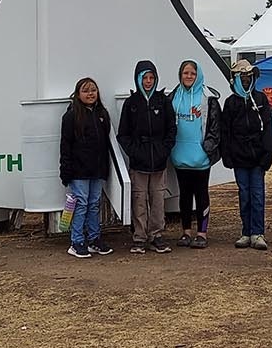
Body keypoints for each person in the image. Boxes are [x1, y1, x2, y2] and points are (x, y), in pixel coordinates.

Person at [117, 60, 175, 254]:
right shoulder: (131, 103)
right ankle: (139, 236)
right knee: (139, 199)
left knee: (158, 199)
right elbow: (123, 134)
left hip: (159, 161)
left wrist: (164, 150)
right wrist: (134, 151)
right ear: (138, 79)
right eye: (145, 78)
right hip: (139, 161)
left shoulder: (163, 101)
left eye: (151, 78)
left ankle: (156, 235)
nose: (148, 81)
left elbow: (171, 130)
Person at [222, 59, 272, 250]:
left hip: (258, 156)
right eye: (242, 77)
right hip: (239, 156)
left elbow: (268, 128)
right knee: (244, 194)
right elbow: (225, 131)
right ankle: (245, 232)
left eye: (248, 76)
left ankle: (257, 233)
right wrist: (227, 154)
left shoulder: (261, 99)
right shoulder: (230, 103)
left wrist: (268, 153)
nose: (245, 80)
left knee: (258, 194)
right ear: (235, 79)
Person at [58, 77, 114, 259]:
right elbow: (65, 145)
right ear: (77, 94)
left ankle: (94, 239)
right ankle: (77, 241)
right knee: (80, 205)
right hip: (78, 171)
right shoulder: (71, 116)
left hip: (97, 169)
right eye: (86, 90)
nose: (90, 94)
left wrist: (105, 168)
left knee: (94, 204)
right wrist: (65, 171)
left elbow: (105, 144)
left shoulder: (102, 114)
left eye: (93, 90)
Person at [169, 59, 221, 248]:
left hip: (200, 158)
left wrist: (207, 150)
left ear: (198, 75)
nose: (189, 76)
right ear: (180, 75)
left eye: (192, 73)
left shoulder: (208, 97)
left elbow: (215, 128)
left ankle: (202, 232)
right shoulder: (174, 96)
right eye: (185, 73)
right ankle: (185, 232)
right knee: (184, 195)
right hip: (179, 155)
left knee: (201, 195)